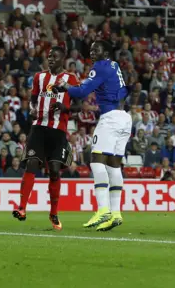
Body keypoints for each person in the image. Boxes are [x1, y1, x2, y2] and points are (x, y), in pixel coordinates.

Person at [53, 41, 131, 231]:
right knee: (113, 164)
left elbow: (82, 90)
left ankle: (102, 209)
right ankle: (116, 214)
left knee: (95, 160)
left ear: (106, 51)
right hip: (125, 118)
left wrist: (65, 87)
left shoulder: (100, 66)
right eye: (91, 48)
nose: (93, 52)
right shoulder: (114, 65)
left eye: (97, 49)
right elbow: (123, 90)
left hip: (110, 118)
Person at [14, 46, 79, 231]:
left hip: (58, 131)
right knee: (32, 163)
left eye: (54, 57)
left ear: (63, 59)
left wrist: (64, 108)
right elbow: (33, 99)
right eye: (49, 56)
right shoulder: (39, 77)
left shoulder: (71, 79)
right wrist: (33, 109)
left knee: (55, 170)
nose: (50, 59)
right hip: (39, 128)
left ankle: (54, 212)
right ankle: (22, 207)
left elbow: (79, 105)